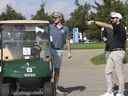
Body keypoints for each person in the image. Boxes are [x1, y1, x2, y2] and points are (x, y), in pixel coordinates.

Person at [87, 12, 126, 96]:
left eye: (113, 18)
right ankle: (110, 92)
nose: (111, 19)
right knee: (107, 71)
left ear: (118, 19)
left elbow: (106, 25)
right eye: (111, 18)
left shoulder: (119, 26)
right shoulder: (117, 27)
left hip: (118, 52)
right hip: (112, 52)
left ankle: (121, 92)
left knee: (119, 73)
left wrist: (94, 22)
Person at [49, 11, 71, 94]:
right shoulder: (50, 27)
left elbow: (68, 41)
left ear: (60, 18)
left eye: (55, 17)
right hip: (50, 50)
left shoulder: (65, 29)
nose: (54, 19)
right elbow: (41, 34)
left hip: (59, 51)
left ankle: (55, 87)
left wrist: (69, 52)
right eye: (53, 17)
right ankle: (48, 86)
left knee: (57, 70)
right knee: (49, 70)